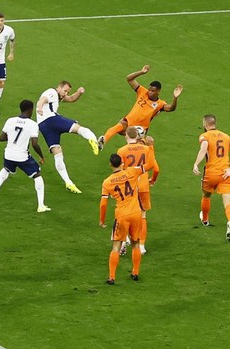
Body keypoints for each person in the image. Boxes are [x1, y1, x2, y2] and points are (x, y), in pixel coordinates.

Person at [0, 100, 50, 212]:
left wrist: (11, 137)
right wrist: (41, 156)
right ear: (30, 110)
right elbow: (34, 143)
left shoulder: (10, 120)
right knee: (37, 175)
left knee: (6, 169)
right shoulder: (33, 124)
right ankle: (41, 205)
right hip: (22, 156)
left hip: (9, 154)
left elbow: (1, 138)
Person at [36, 81, 100, 193]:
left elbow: (71, 99)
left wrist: (79, 93)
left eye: (67, 92)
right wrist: (39, 108)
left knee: (57, 152)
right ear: (59, 87)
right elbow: (42, 100)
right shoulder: (52, 92)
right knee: (78, 128)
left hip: (43, 126)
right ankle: (93, 140)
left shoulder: (58, 96)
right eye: (65, 90)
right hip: (51, 120)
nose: (65, 94)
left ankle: (68, 183)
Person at [98, 65, 182, 149]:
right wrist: (141, 72)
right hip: (128, 121)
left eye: (153, 91)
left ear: (158, 91)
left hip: (140, 130)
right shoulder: (142, 91)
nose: (149, 92)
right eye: (149, 89)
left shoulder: (160, 104)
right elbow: (129, 79)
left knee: (138, 148)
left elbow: (171, 108)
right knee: (116, 127)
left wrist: (175, 98)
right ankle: (103, 141)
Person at [100, 154, 149, 285]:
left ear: (110, 165)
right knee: (136, 243)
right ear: (122, 162)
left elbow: (103, 204)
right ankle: (135, 273)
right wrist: (150, 147)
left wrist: (102, 220)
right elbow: (149, 165)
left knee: (116, 246)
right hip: (136, 213)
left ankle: (111, 277)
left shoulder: (107, 182)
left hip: (122, 215)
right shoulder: (132, 171)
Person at [192, 114, 230, 241]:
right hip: (225, 173)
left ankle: (205, 219)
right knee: (228, 203)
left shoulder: (205, 136)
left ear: (205, 124)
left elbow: (203, 149)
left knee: (206, 196)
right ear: (215, 123)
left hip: (210, 173)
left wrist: (196, 163)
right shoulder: (226, 136)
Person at [116, 126, 159, 254]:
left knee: (126, 213)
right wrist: (152, 180)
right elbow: (155, 168)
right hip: (144, 185)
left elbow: (119, 170)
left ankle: (124, 241)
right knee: (143, 216)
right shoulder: (146, 149)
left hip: (129, 186)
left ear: (127, 136)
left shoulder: (122, 150)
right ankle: (141, 246)